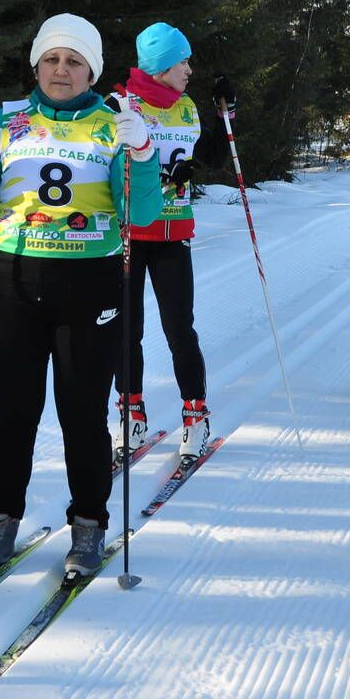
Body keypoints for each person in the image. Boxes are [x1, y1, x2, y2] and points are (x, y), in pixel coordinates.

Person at [0, 13, 164, 576]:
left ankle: (89, 527)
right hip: (12, 276)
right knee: (11, 410)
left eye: (75, 60)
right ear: (37, 63)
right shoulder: (4, 123)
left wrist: (143, 154)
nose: (62, 69)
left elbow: (142, 214)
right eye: (52, 58)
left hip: (90, 279)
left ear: (92, 70)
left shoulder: (115, 124)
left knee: (81, 412)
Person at [108, 23, 235, 464]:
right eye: (182, 61)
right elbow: (109, 167)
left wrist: (225, 115)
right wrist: (162, 177)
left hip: (174, 233)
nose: (189, 69)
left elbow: (213, 159)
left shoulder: (185, 109)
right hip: (131, 233)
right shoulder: (122, 106)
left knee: (180, 328)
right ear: (161, 66)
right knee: (128, 329)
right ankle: (132, 413)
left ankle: (196, 417)